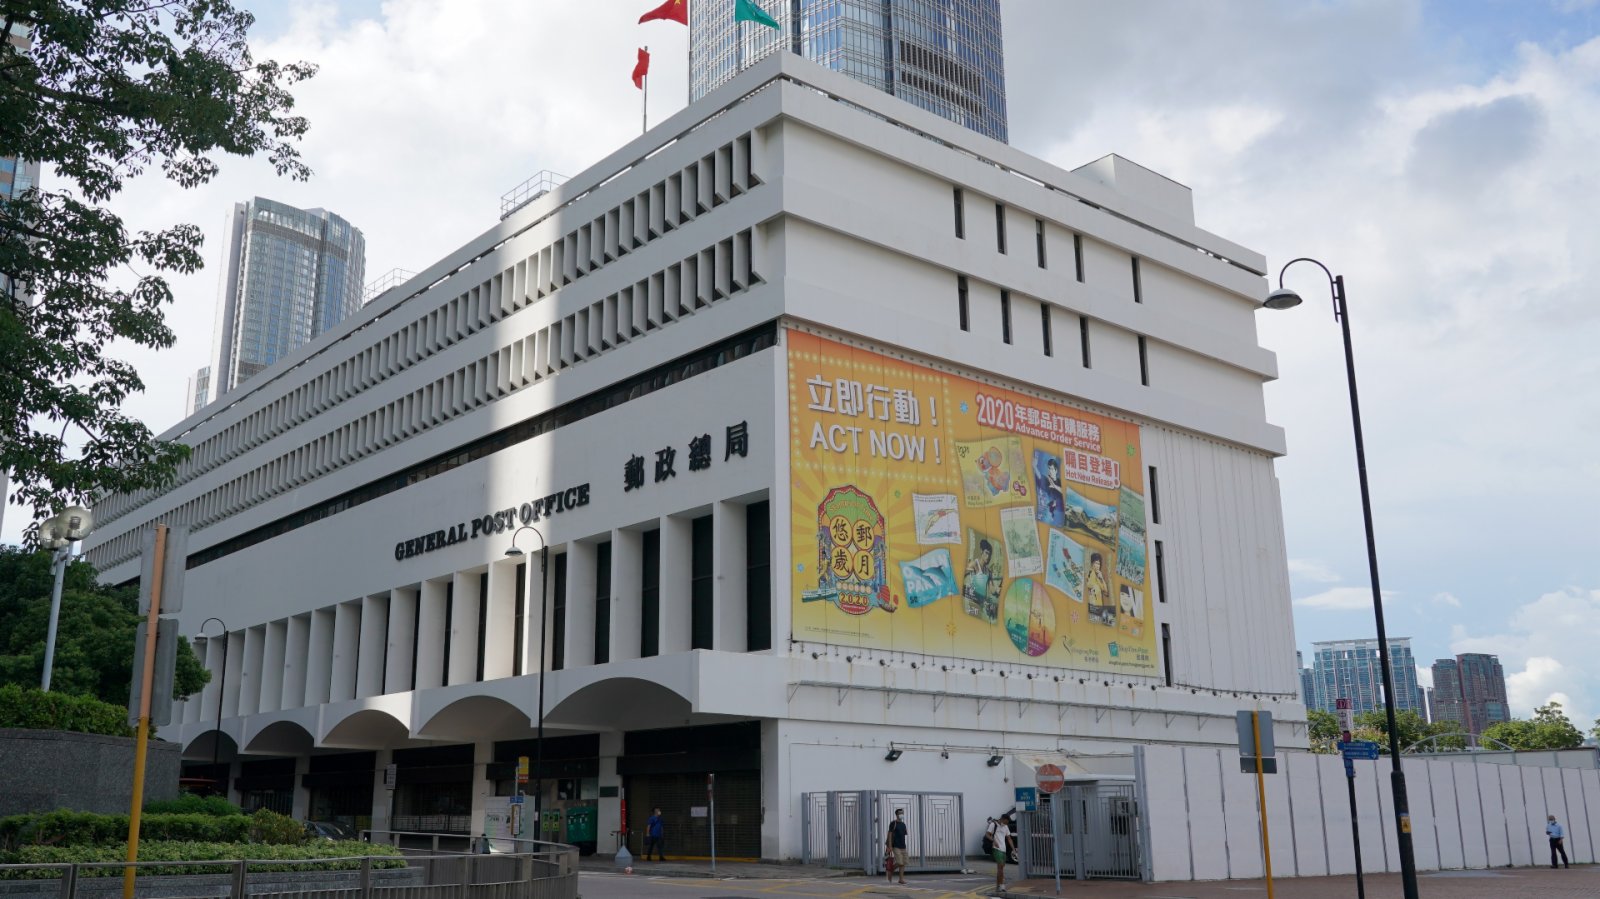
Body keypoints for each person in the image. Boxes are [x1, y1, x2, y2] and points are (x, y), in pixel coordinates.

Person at [988, 813, 1013, 893]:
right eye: (1006, 821)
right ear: (1002, 819)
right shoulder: (993, 825)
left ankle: (998, 886)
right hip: (996, 848)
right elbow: (987, 834)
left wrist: (1013, 849)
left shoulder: (1005, 827)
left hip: (1003, 849)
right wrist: (993, 841)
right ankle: (1001, 885)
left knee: (1001, 868)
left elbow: (1009, 838)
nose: (1006, 823)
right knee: (1000, 867)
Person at [885, 808, 909, 884]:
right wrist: (890, 846)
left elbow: (904, 834)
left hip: (903, 846)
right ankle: (891, 870)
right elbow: (890, 834)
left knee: (903, 862)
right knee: (900, 862)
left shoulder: (903, 824)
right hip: (895, 846)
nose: (902, 814)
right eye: (900, 813)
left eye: (902, 813)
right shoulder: (893, 823)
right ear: (897, 815)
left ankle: (901, 879)